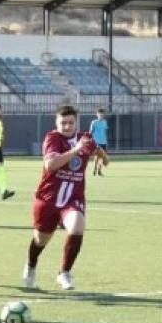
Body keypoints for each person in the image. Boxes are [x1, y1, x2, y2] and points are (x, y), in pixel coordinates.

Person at [23, 105, 109, 291]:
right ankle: (31, 264)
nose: (67, 126)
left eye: (71, 122)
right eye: (63, 123)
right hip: (48, 198)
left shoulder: (85, 138)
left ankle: (65, 272)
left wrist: (104, 158)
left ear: (76, 123)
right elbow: (51, 165)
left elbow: (96, 149)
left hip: (73, 198)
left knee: (78, 225)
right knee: (41, 240)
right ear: (57, 123)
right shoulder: (53, 138)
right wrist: (76, 150)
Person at [89, 108, 109, 176]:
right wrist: (90, 140)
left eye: (102, 114)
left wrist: (106, 141)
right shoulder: (94, 122)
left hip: (103, 142)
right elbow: (91, 132)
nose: (101, 115)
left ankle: (99, 171)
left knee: (103, 157)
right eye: (100, 114)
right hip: (96, 142)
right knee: (97, 157)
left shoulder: (105, 122)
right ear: (97, 114)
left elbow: (105, 132)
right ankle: (94, 169)